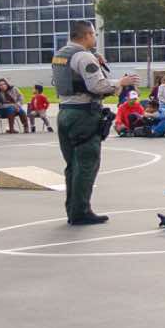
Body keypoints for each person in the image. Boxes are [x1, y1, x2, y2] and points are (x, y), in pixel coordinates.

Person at [54, 19, 136, 226]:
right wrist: (120, 82)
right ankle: (80, 211)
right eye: (93, 34)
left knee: (72, 165)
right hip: (83, 114)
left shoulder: (61, 54)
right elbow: (97, 86)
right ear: (87, 35)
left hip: (65, 111)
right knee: (86, 164)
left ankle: (73, 209)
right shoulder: (84, 56)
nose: (95, 38)